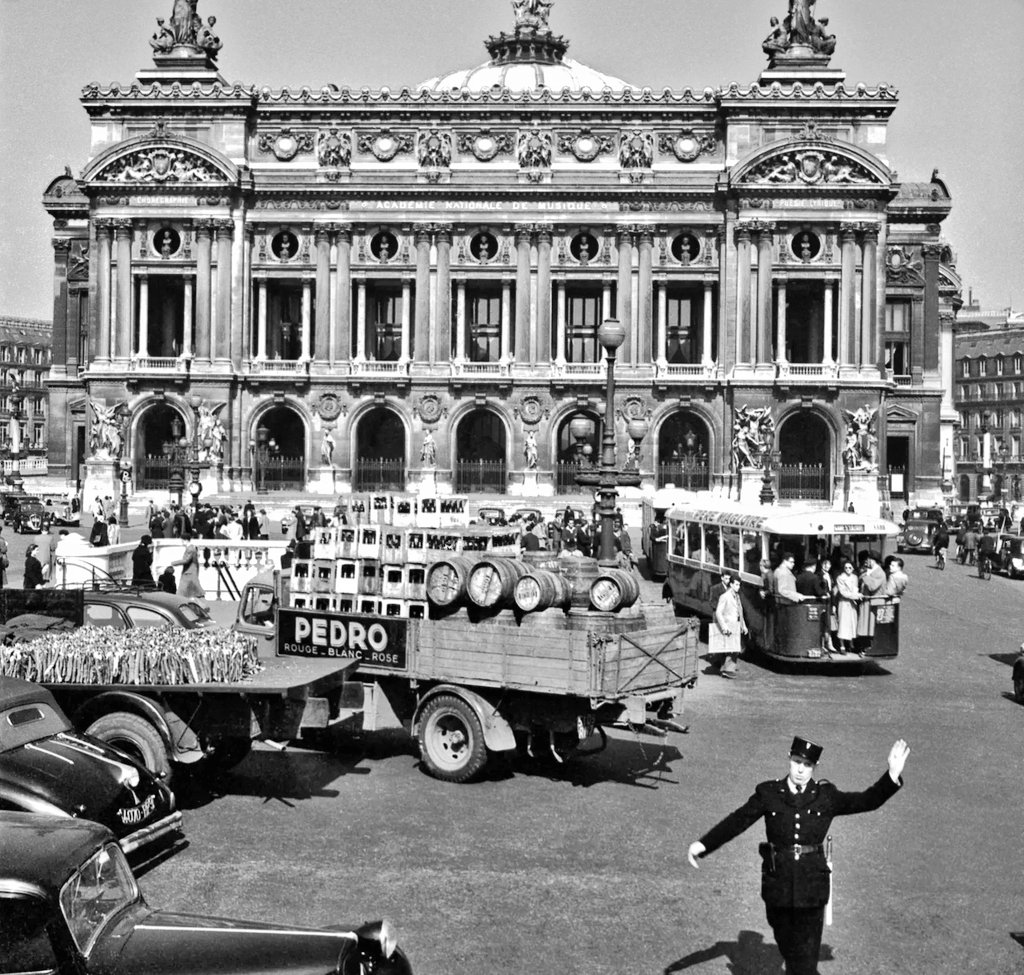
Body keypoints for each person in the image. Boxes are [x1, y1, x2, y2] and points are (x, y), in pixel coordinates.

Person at [687, 736, 911, 975]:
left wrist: (891, 775)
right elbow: (738, 820)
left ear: (815, 767)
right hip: (777, 886)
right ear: (789, 759)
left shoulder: (825, 796)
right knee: (787, 944)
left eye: (807, 765)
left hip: (812, 886)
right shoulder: (769, 793)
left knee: (803, 960)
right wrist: (704, 844)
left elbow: (868, 800)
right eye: (796, 762)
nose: (801, 769)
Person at [709, 574, 745, 678]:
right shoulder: (725, 596)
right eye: (737, 584)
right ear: (731, 584)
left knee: (732, 648)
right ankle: (727, 670)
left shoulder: (737, 596)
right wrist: (724, 627)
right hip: (728, 625)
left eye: (739, 585)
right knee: (731, 649)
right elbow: (718, 613)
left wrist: (744, 625)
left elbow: (740, 611)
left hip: (735, 625)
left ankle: (725, 668)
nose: (738, 587)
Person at [856, 553, 887, 654]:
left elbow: (872, 586)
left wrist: (864, 576)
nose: (866, 562)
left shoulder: (880, 573)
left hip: (874, 603)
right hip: (866, 602)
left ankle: (869, 647)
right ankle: (864, 646)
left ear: (873, 561)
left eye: (868, 560)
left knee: (870, 626)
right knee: (865, 626)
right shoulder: (871, 571)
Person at [834, 560, 860, 653]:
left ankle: (851, 644)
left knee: (852, 623)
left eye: (850, 567)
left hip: (852, 604)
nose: (848, 569)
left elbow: (856, 588)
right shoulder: (840, 578)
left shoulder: (855, 577)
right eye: (846, 568)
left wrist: (855, 595)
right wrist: (855, 596)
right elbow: (843, 592)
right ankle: (842, 645)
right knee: (843, 624)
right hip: (844, 603)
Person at [172, 530, 205, 599]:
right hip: (190, 572)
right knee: (193, 590)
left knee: (182, 591)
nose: (182, 542)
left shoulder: (190, 549)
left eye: (182, 540)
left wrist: (174, 563)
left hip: (189, 572)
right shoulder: (192, 548)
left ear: (185, 540)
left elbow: (186, 560)